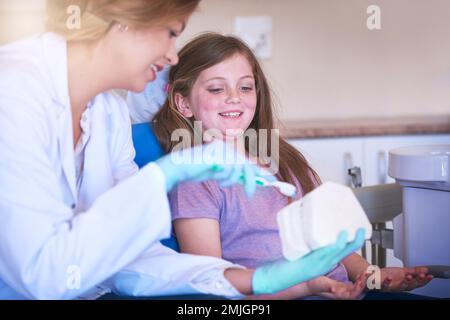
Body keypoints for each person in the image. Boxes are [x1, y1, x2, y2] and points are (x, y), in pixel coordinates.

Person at [0, 1, 364, 300]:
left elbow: (133, 259)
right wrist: (163, 176)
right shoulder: (13, 90)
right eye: (172, 33)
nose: (173, 56)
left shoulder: (108, 114)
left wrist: (254, 282)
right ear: (125, 19)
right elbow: (43, 276)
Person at [152, 33, 433, 299]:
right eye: (216, 88)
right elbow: (213, 284)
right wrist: (309, 287)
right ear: (183, 103)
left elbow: (336, 246)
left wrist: (373, 276)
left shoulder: (287, 162)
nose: (235, 97)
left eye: (245, 87)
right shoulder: (195, 182)